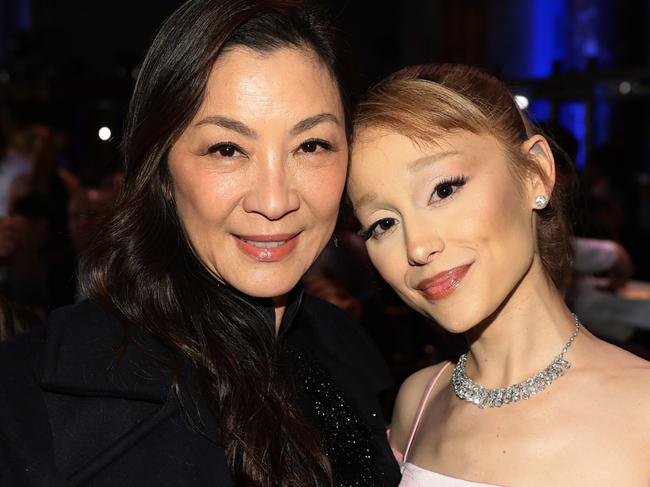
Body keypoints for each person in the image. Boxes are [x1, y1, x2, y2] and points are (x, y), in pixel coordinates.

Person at [0, 1, 401, 486]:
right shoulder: (29, 396)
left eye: (311, 145)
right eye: (227, 149)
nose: (274, 201)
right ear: (162, 173)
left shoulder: (353, 354)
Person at [347, 64, 650, 486]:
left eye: (443, 189)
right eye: (382, 224)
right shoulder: (417, 403)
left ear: (535, 173)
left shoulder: (643, 415)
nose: (417, 247)